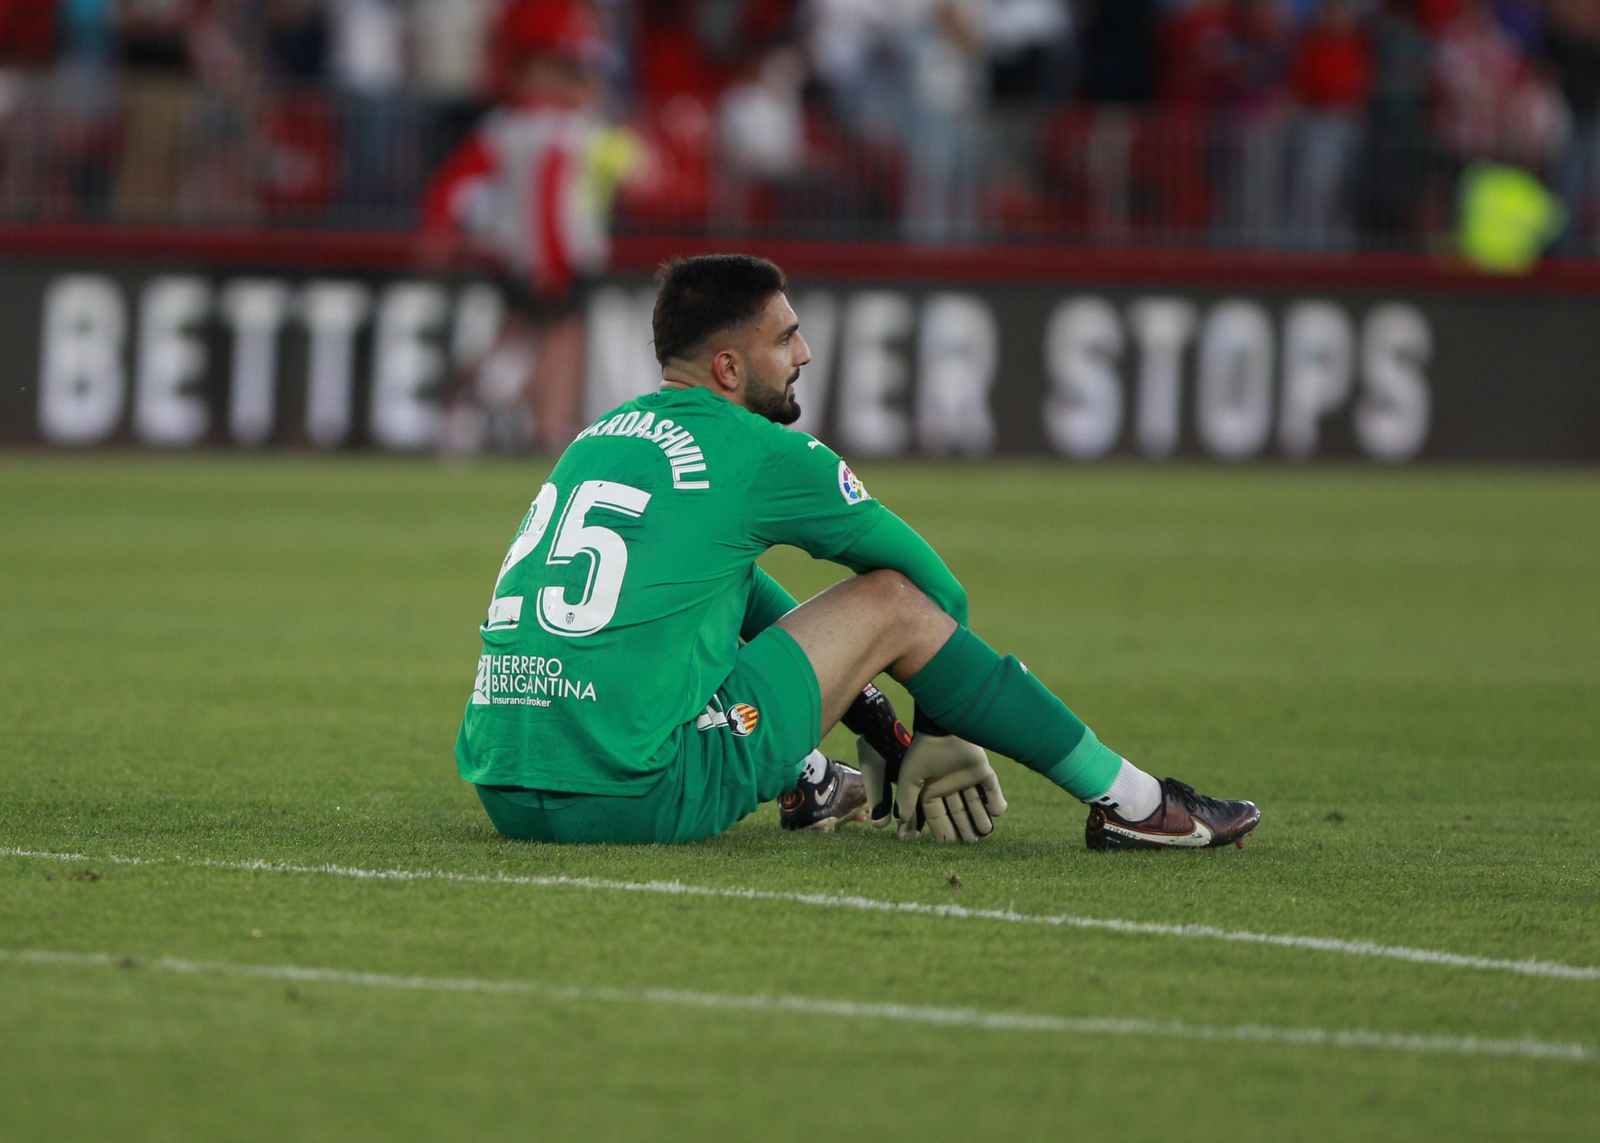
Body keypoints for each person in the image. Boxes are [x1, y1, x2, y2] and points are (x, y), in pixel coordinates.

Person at [455, 254, 1262, 849]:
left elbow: (728, 593)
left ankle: (809, 779)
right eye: (787, 336)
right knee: (892, 602)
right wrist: (938, 730)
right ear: (729, 366)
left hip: (506, 783)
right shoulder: (761, 454)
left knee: (717, 590)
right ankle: (1135, 803)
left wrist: (877, 724)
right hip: (632, 795)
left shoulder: (596, 438)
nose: (803, 353)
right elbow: (932, 591)